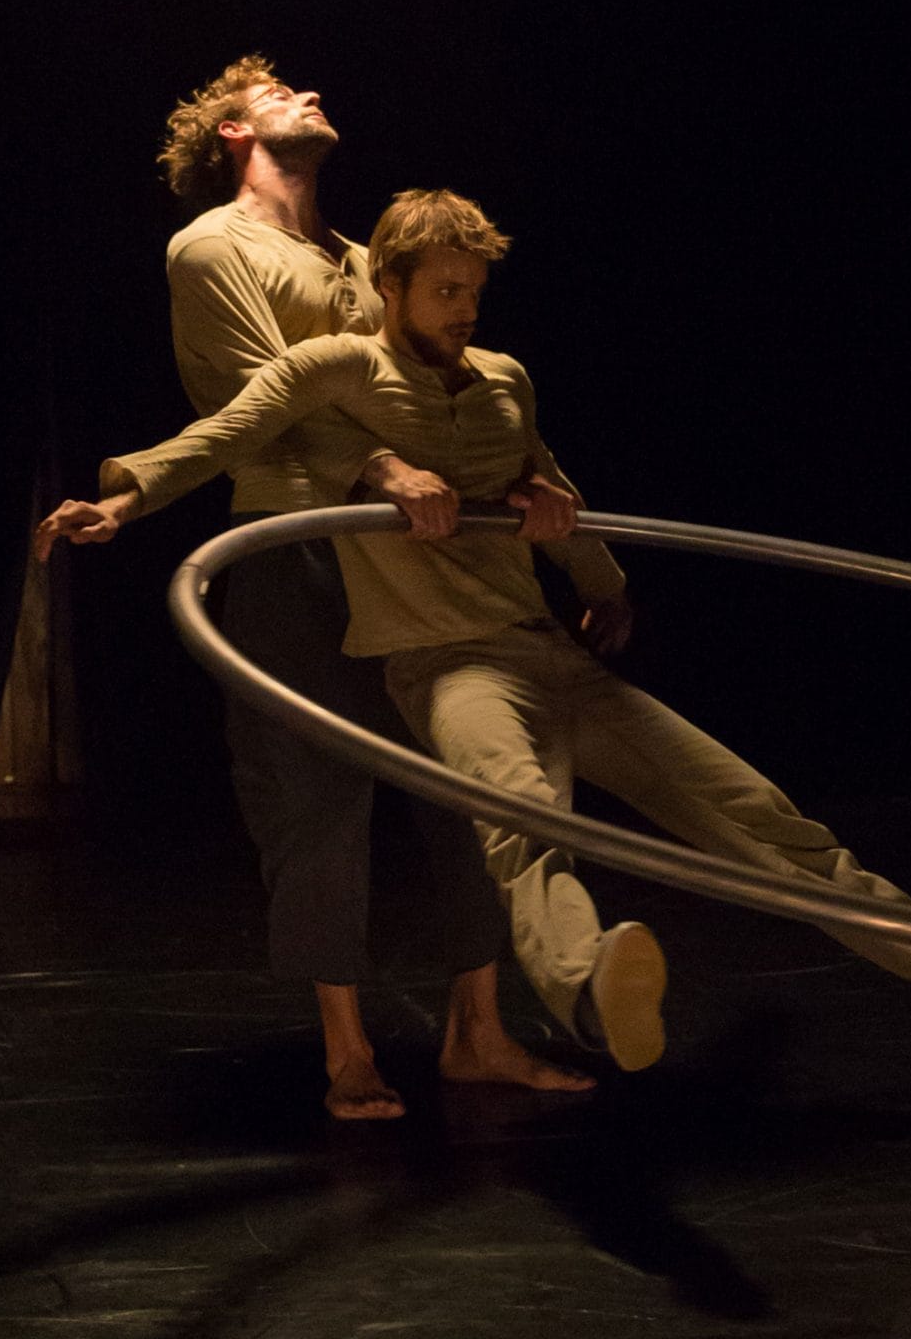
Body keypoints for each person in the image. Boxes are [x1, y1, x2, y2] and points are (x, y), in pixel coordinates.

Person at [38, 189, 911, 1065]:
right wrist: (124, 501)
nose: (467, 307)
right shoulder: (337, 372)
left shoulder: (506, 381)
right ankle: (589, 994)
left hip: (548, 652)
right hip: (444, 667)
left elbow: (552, 490)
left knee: (766, 822)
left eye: (477, 288)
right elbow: (224, 432)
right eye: (446, 288)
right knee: (522, 824)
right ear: (391, 285)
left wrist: (598, 575)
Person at [116, 58, 594, 1120]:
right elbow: (253, 397)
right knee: (317, 793)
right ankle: (347, 1050)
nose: (310, 92)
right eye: (280, 91)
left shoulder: (366, 256)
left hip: (422, 550)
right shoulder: (212, 248)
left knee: (471, 777)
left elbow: (461, 384)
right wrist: (377, 468)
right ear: (235, 132)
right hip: (301, 544)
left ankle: (477, 1033)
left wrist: (539, 498)